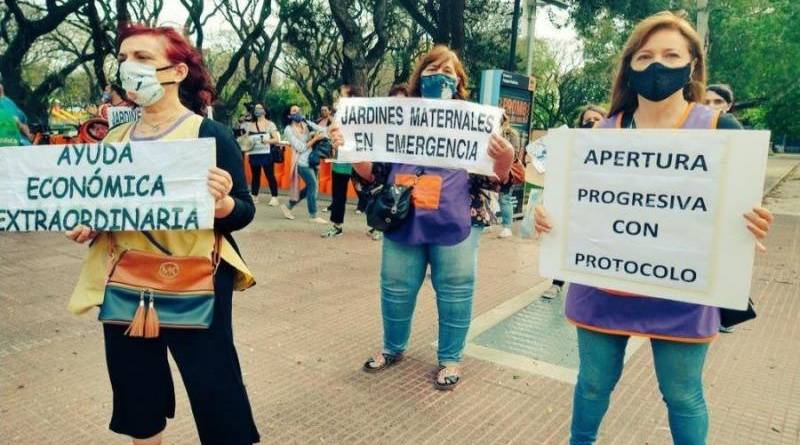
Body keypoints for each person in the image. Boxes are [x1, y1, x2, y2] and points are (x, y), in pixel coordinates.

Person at [533, 12, 773, 445]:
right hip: (603, 291)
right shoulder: (598, 134)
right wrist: (549, 220)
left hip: (683, 295)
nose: (657, 66)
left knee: (682, 396)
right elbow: (569, 204)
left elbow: (741, 210)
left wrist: (751, 225)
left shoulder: (722, 130)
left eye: (670, 55)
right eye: (644, 57)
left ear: (692, 64)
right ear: (630, 67)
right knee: (591, 385)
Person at [64, 24, 259, 445]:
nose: (128, 68)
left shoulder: (209, 135)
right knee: (137, 394)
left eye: (143, 58)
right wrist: (91, 222)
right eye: (122, 59)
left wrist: (223, 206)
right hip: (126, 281)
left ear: (177, 72)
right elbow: (110, 205)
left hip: (196, 280)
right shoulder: (114, 139)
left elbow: (244, 209)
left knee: (215, 388)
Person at [329, 46, 515, 390]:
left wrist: (504, 157)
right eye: (432, 68)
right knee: (395, 288)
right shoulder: (397, 117)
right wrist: (350, 148)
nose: (440, 74)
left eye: (449, 70)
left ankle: (450, 359)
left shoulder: (477, 121)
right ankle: (393, 349)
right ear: (420, 76)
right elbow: (374, 174)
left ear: (459, 81)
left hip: (455, 221)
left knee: (456, 291)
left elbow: (499, 179)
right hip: (403, 218)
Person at [540, 104, 608, 300]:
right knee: (566, 243)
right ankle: (557, 283)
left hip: (600, 207)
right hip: (575, 204)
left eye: (597, 120)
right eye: (587, 121)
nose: (592, 124)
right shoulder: (570, 145)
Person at [354, 83, 408, 241]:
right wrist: (349, 148)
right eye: (393, 105)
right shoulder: (383, 139)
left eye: (403, 105)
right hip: (396, 214)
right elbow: (374, 173)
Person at [322, 85, 361, 238]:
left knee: (368, 194)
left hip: (359, 162)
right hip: (340, 162)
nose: (338, 98)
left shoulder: (364, 116)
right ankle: (337, 226)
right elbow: (331, 133)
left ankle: (376, 226)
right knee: (338, 194)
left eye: (342, 95)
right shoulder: (338, 116)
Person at [280, 104, 328, 223]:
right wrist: (314, 139)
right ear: (289, 115)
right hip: (301, 162)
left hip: (312, 160)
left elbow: (321, 129)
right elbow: (300, 147)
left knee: (309, 189)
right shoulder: (288, 129)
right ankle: (313, 215)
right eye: (294, 111)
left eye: (298, 110)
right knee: (313, 186)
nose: (298, 112)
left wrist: (318, 131)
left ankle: (288, 206)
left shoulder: (305, 124)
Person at [245, 103, 281, 206]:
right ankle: (254, 195)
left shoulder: (270, 124)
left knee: (269, 175)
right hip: (254, 153)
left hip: (266, 153)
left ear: (265, 111)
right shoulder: (250, 125)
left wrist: (267, 141)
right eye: (256, 108)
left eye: (260, 108)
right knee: (255, 175)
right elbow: (246, 139)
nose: (257, 110)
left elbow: (276, 139)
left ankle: (274, 197)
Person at [497, 112, 522, 239]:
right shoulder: (494, 131)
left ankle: (507, 227)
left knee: (505, 197)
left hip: (507, 170)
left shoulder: (511, 133)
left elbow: (514, 153)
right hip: (493, 169)